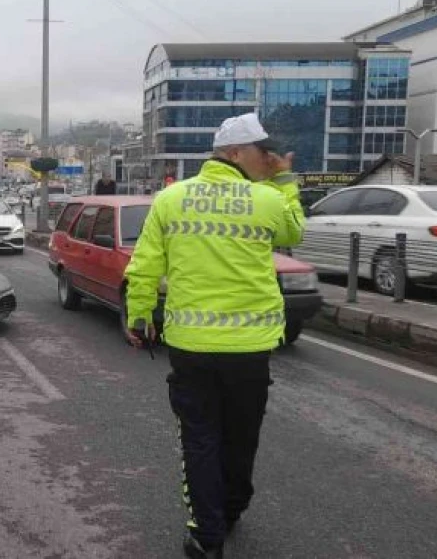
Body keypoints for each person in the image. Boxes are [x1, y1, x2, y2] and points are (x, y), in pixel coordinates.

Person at [123, 113, 305, 559]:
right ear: (236, 153)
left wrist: (139, 315)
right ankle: (232, 505)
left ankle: (207, 536)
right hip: (249, 349)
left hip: (192, 347)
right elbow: (294, 231)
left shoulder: (171, 198)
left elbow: (146, 263)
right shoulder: (265, 199)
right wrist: (286, 180)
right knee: (242, 435)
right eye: (264, 154)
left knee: (200, 439)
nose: (269, 160)